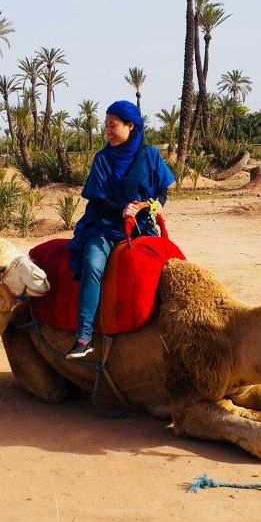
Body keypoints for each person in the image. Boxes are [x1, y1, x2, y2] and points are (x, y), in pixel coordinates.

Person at [65, 100, 175, 359]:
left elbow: (162, 189)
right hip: (103, 227)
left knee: (166, 264)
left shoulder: (149, 156)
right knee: (92, 265)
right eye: (106, 126)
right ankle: (85, 336)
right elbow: (98, 199)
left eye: (112, 125)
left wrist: (157, 204)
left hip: (142, 226)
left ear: (130, 126)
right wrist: (121, 211)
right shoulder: (102, 159)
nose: (107, 131)